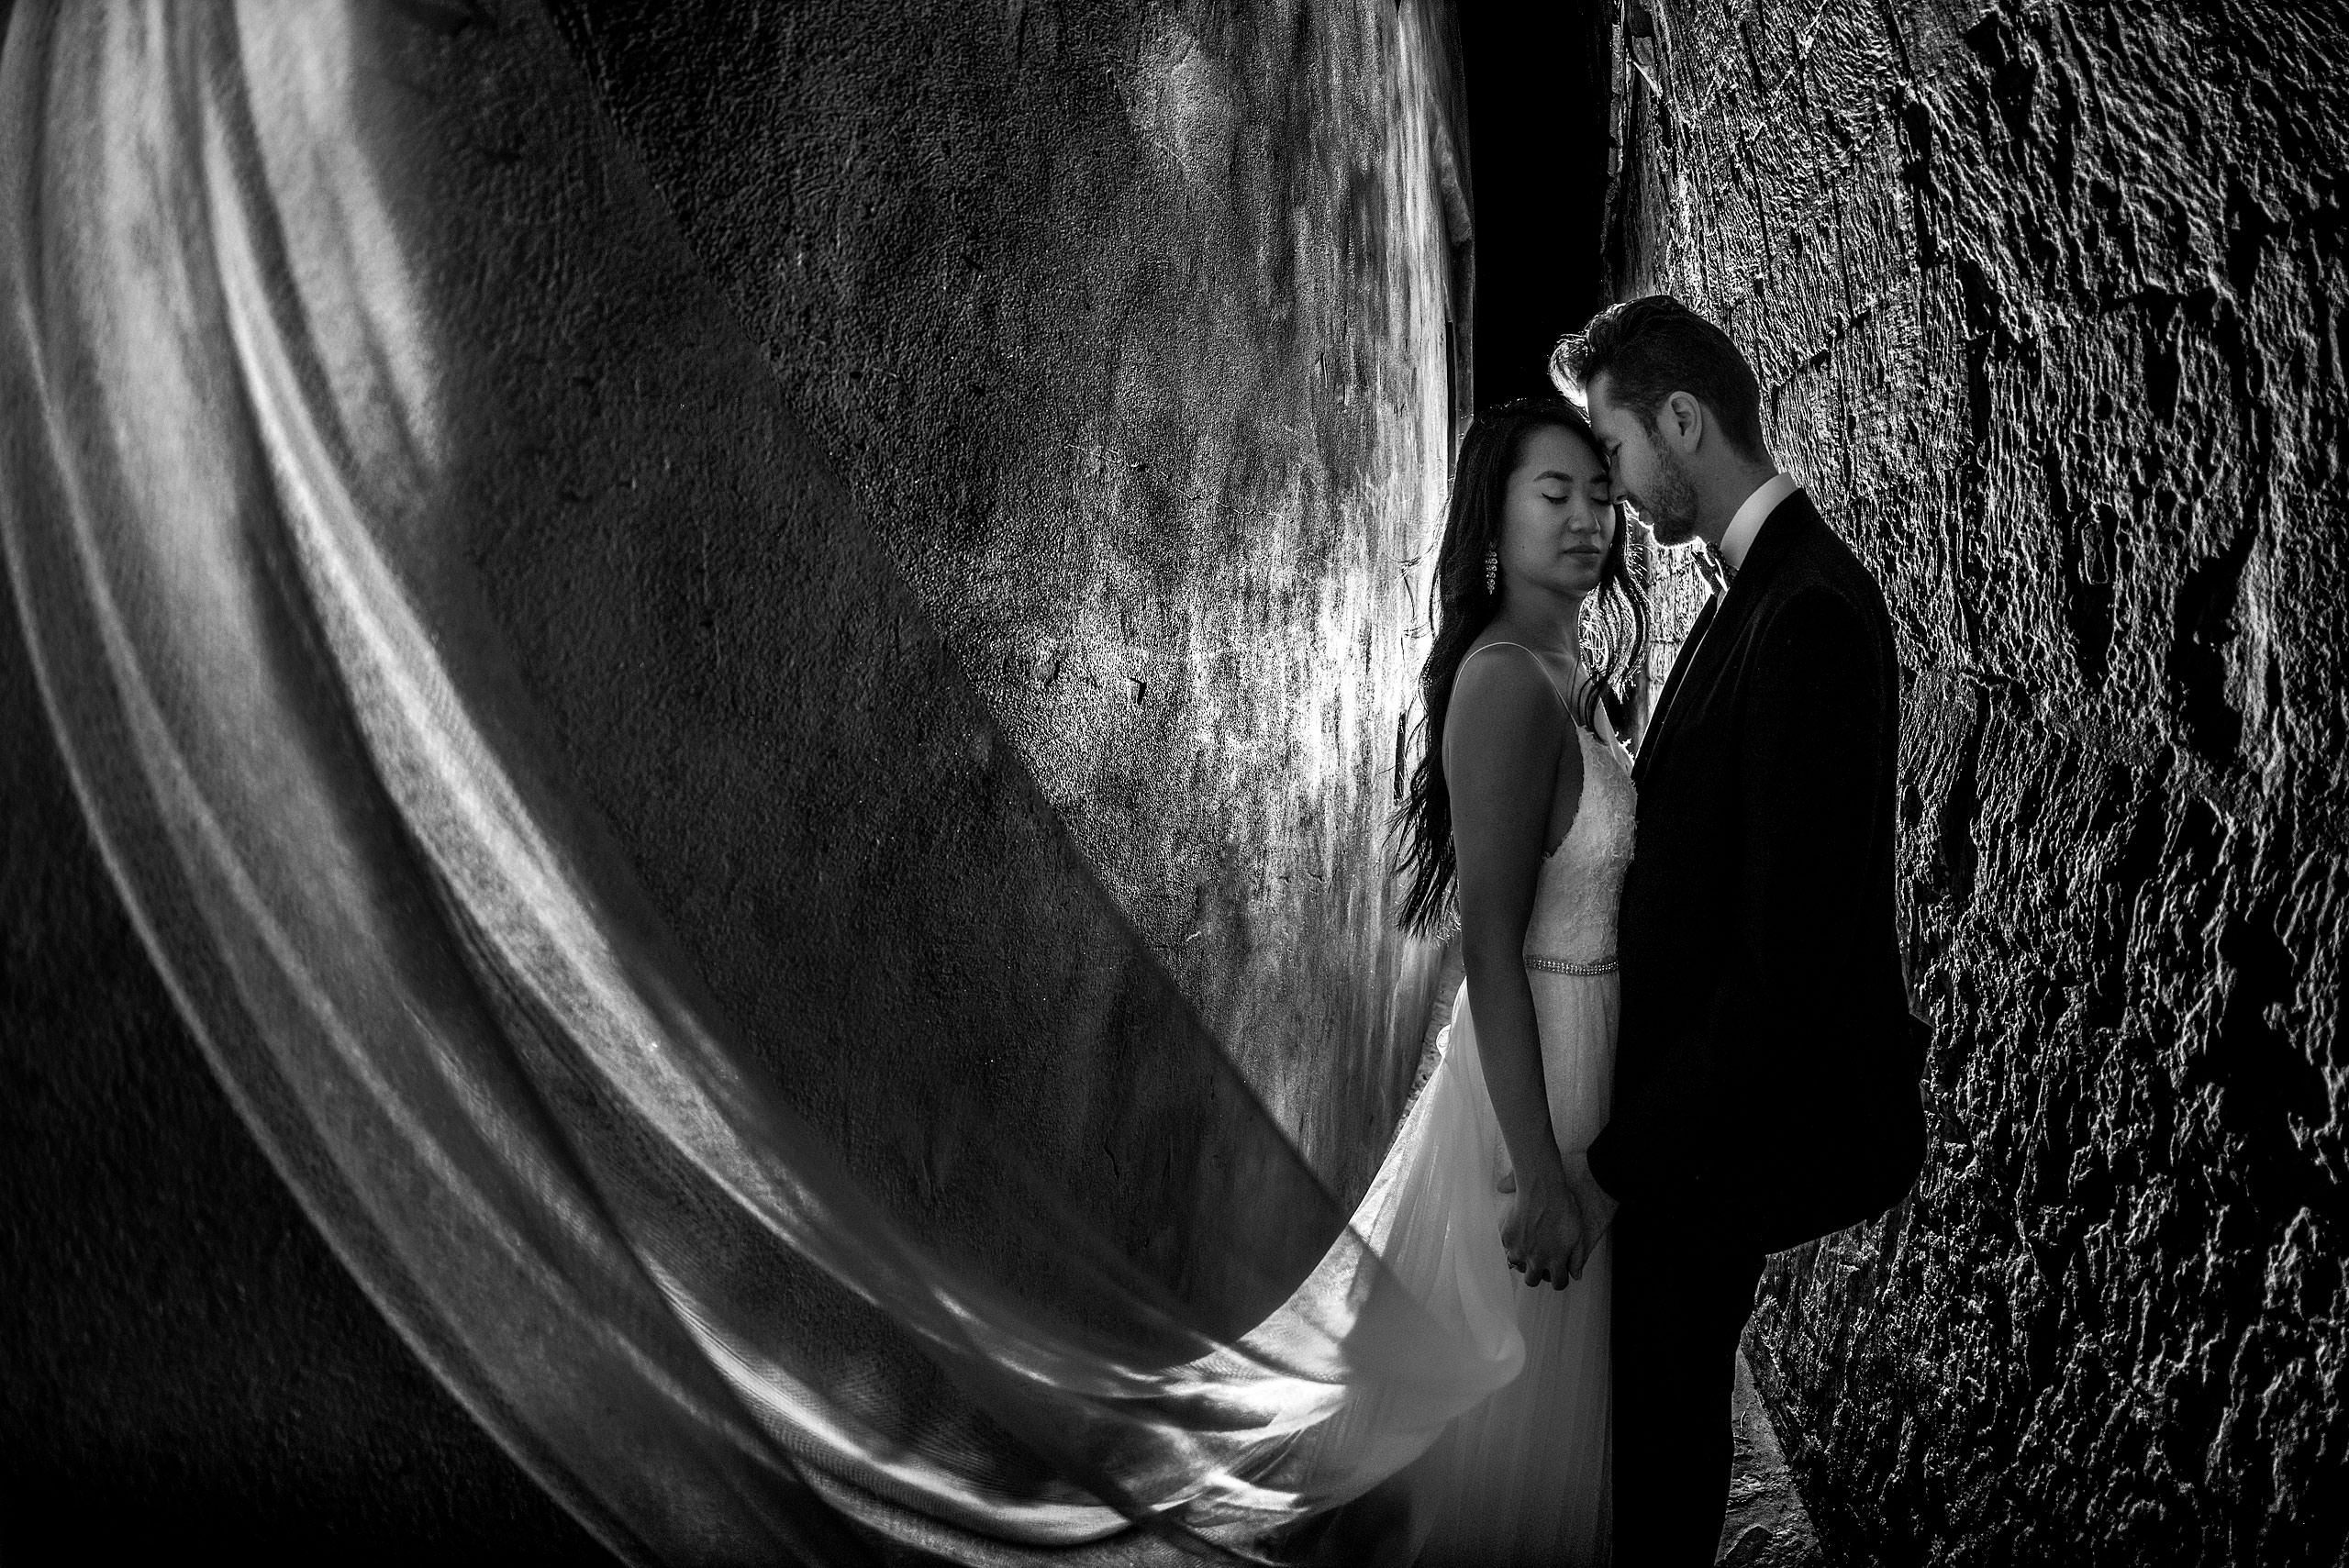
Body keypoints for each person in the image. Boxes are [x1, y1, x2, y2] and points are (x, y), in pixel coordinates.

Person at [1549, 296, 1928, 1564]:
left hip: (1720, 1136)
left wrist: (1619, 1165)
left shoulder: (1807, 612)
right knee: (1658, 1424)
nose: (1608, 484)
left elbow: (1786, 967)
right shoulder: (1747, 591)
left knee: (1661, 1449)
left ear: (1681, 420)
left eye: (1612, 449)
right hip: (1688, 1122)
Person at [1362, 394, 1649, 1564]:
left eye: (1599, 495)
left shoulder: (1567, 666)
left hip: (1591, 1040)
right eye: (1554, 495)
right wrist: (1538, 1169)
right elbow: (1487, 942)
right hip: (1540, 1065)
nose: (1587, 519)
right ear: (1495, 516)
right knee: (1515, 1432)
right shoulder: (1502, 684)